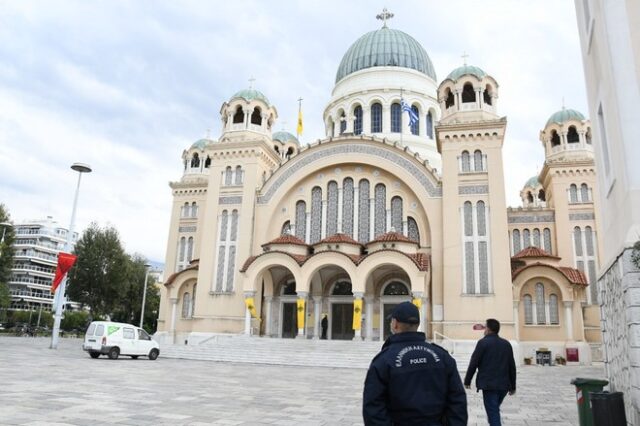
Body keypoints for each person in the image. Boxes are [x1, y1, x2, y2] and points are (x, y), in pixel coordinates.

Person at [363, 302, 467, 425]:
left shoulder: (384, 360)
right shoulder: (442, 356)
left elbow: (373, 409)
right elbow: (458, 402)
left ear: (395, 324)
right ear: (417, 324)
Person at [464, 318, 516, 426]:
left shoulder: (483, 343)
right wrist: (513, 386)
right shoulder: (506, 344)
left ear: (488, 329)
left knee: (493, 412)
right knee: (494, 410)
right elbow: (512, 366)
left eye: (485, 327)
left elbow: (474, 362)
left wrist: (467, 380)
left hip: (489, 385)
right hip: (504, 386)